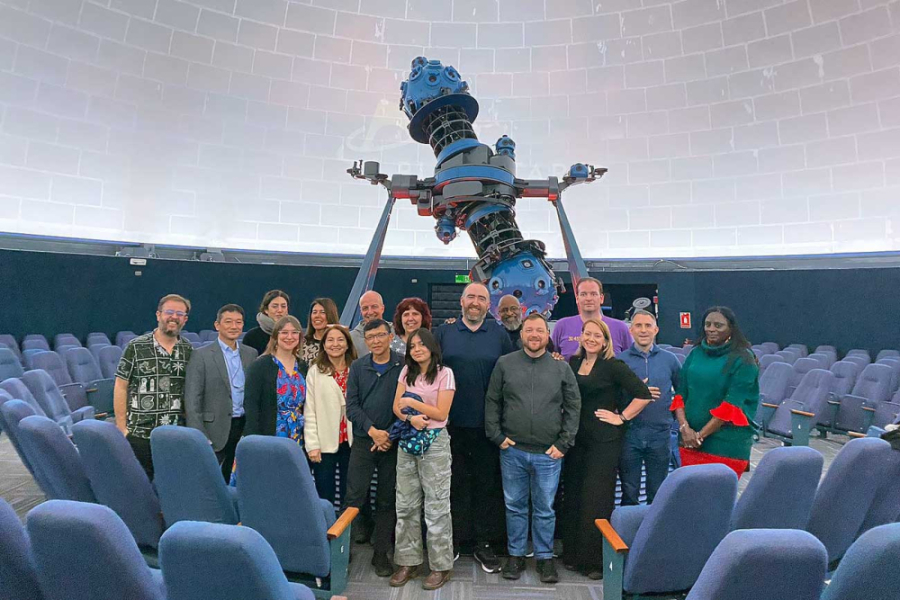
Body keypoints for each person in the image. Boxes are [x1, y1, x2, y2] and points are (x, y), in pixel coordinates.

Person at [484, 313, 580, 584]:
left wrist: (564, 443)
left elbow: (574, 407)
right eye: (529, 330)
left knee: (544, 509)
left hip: (549, 453)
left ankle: (545, 558)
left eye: (540, 330)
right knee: (514, 505)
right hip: (511, 450)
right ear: (522, 334)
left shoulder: (561, 368)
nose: (534, 335)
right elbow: (492, 401)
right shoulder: (505, 364)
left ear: (547, 335)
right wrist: (497, 436)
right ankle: (515, 556)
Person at [560, 318, 652, 579]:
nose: (591, 339)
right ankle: (573, 554)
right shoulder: (574, 363)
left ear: (605, 341)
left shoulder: (614, 366)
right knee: (574, 495)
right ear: (581, 337)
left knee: (596, 500)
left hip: (604, 441)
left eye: (596, 336)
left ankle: (594, 561)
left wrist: (621, 417)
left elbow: (643, 394)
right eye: (587, 334)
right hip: (577, 439)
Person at [434, 282, 515, 573]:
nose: (475, 302)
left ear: (487, 304)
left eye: (482, 298)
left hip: (487, 426)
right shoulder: (443, 333)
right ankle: (455, 540)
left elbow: (511, 375)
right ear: (461, 301)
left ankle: (484, 543)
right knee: (453, 484)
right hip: (448, 426)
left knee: (486, 486)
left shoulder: (499, 334)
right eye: (471, 297)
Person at [388, 328, 456, 591]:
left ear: (431, 347)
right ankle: (408, 561)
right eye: (412, 346)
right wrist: (410, 418)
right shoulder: (406, 372)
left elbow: (441, 412)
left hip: (435, 443)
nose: (416, 349)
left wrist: (412, 405)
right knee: (405, 504)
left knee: (437, 506)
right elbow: (397, 406)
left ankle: (440, 566)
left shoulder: (445, 374)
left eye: (421, 345)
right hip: (408, 441)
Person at [344, 318, 404, 578]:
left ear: (390, 336)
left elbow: (409, 400)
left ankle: (381, 554)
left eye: (381, 335)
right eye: (371, 337)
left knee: (386, 500)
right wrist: (372, 431)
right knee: (354, 497)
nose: (376, 341)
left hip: (393, 443)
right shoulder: (358, 367)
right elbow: (352, 406)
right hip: (364, 440)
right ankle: (343, 552)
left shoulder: (402, 364)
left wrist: (389, 434)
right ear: (365, 341)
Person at [671, 306, 759, 478]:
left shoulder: (744, 359)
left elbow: (731, 405)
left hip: (725, 446)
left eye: (718, 325)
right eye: (708, 324)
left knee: (717, 501)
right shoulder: (695, 353)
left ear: (731, 328)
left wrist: (699, 436)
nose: (711, 329)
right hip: (689, 442)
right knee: (692, 498)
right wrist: (685, 428)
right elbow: (681, 395)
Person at [114, 293, 193, 480]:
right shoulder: (136, 347)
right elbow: (121, 386)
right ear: (159, 315)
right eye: (169, 312)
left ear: (185, 319)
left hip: (175, 433)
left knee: (172, 485)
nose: (174, 317)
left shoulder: (188, 350)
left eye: (180, 314)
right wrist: (121, 427)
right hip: (140, 434)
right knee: (139, 487)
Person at [184, 304, 258, 481]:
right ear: (217, 325)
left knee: (237, 478)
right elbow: (192, 398)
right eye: (228, 322)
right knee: (208, 479)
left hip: (243, 426)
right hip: (213, 429)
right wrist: (200, 435)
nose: (234, 326)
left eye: (239, 322)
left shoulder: (251, 353)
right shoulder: (201, 355)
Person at [616, 310, 681, 505]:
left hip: (660, 434)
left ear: (656, 330)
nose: (643, 330)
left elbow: (681, 393)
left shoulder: (670, 360)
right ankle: (626, 533)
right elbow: (614, 397)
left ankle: (654, 533)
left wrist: (675, 422)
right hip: (630, 434)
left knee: (658, 490)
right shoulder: (621, 361)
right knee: (629, 490)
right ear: (631, 330)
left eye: (648, 326)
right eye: (638, 326)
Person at [304, 324, 357, 506]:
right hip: (323, 443)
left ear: (348, 344)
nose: (336, 344)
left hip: (351, 442)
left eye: (340, 339)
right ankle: (325, 531)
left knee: (349, 494)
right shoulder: (315, 372)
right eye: (330, 340)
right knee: (324, 494)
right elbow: (310, 411)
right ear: (324, 345)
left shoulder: (357, 370)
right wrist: (312, 445)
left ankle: (346, 532)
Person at [243, 316, 309, 443]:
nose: (289, 337)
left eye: (294, 333)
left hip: (298, 434)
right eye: (284, 332)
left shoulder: (302, 366)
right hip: (267, 435)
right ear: (275, 337)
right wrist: (254, 440)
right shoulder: (260, 366)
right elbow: (251, 405)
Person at [551, 277, 633, 359]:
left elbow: (631, 361)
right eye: (583, 294)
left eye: (593, 294)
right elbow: (552, 359)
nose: (588, 299)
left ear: (601, 298)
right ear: (577, 299)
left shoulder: (620, 328)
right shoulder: (562, 326)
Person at [349, 291, 404, 357]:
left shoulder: (398, 331)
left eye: (374, 307)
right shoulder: (351, 338)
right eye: (365, 308)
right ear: (361, 311)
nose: (370, 312)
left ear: (382, 308)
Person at [243, 290, 290, 356]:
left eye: (283, 306)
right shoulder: (252, 337)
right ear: (266, 310)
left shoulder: (294, 335)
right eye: (275, 306)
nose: (280, 310)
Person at [301, 298, 340, 363]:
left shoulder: (340, 344)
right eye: (314, 312)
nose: (317, 316)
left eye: (322, 312)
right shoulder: (301, 344)